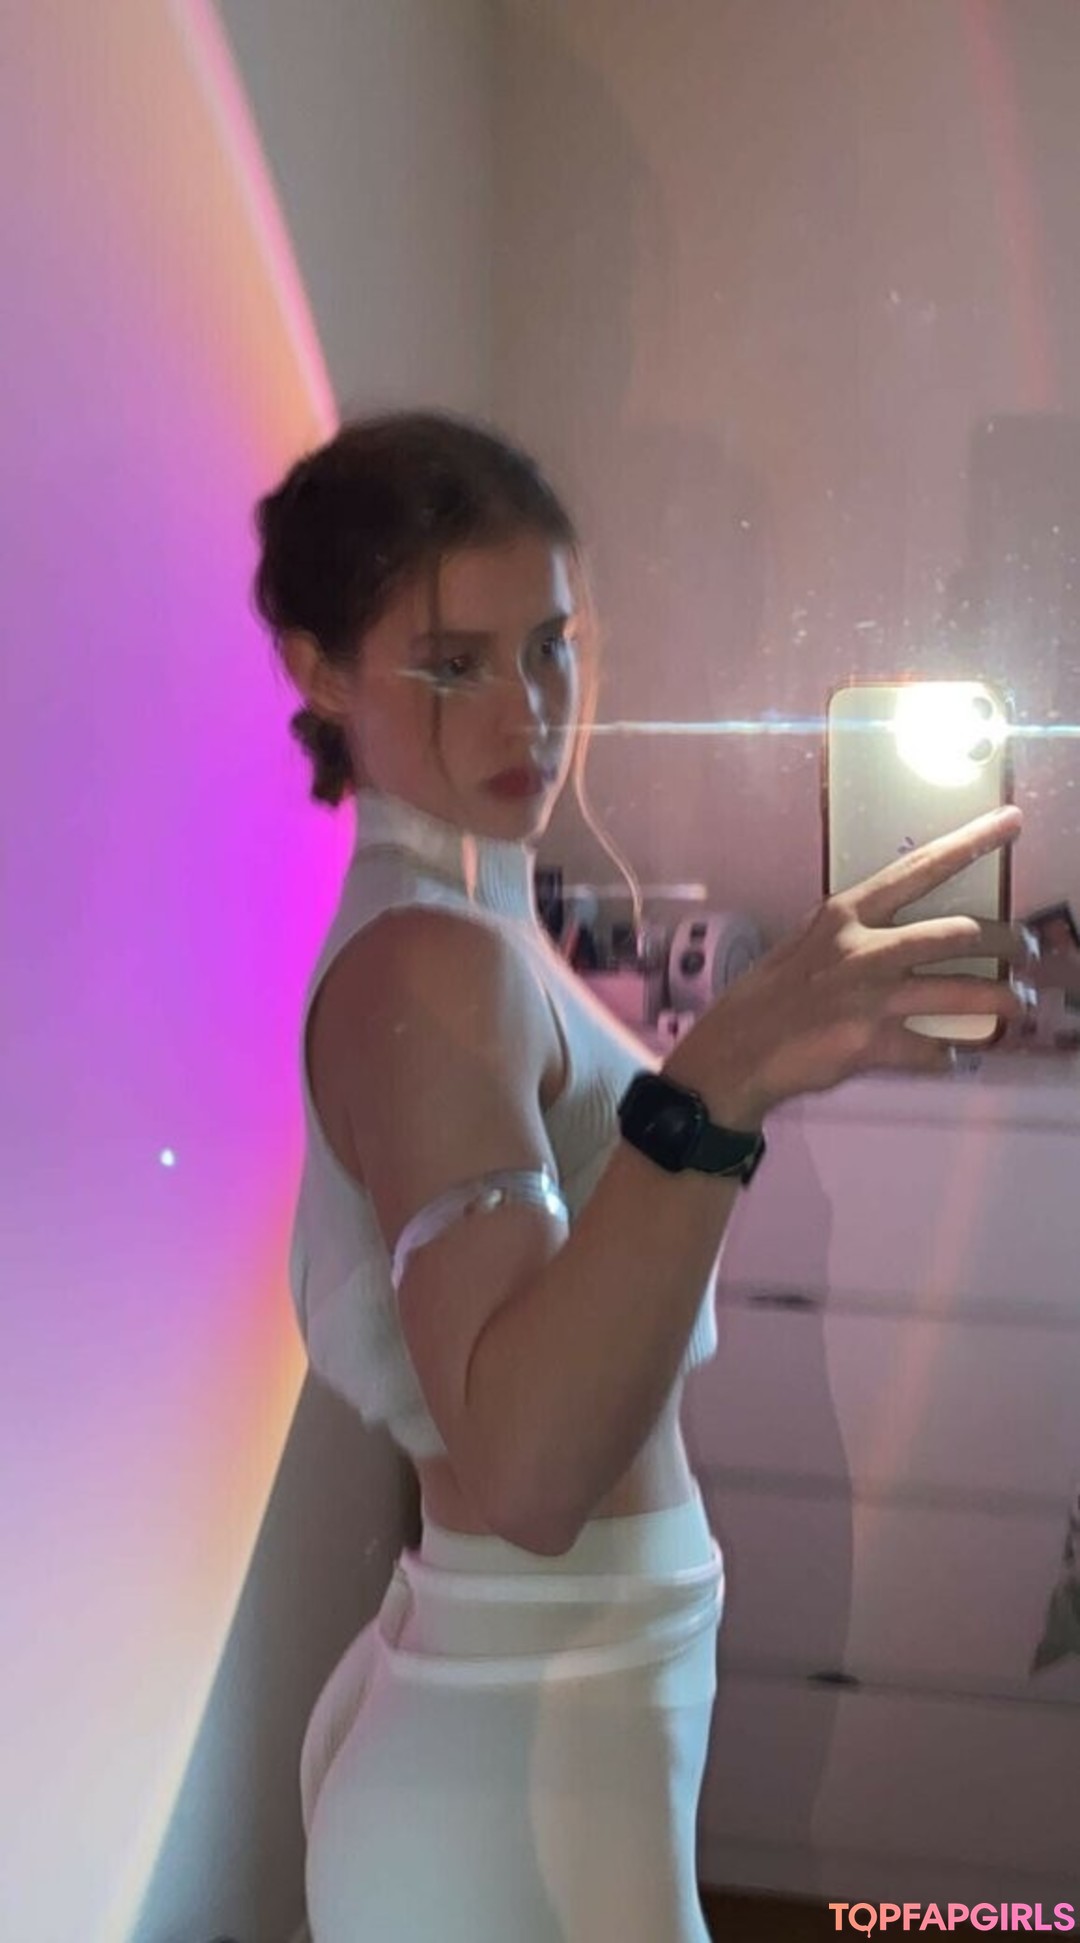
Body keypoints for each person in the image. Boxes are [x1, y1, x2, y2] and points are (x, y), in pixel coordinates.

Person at [252, 410, 1029, 1942]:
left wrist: (744, 1071)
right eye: (453, 664)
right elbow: (533, 1472)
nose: (529, 709)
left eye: (551, 646)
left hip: (547, 1724)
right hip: (513, 1762)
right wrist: (718, 1078)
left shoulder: (471, 925)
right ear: (320, 671)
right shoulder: (428, 965)